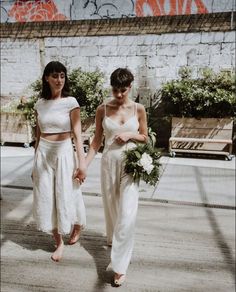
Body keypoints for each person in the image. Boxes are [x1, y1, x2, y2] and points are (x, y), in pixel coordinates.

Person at [85, 68, 148, 286]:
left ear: (130, 87)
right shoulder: (102, 109)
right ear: (110, 87)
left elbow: (145, 138)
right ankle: (113, 240)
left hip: (130, 163)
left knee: (128, 213)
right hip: (109, 162)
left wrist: (131, 134)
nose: (119, 95)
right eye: (115, 90)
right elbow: (96, 141)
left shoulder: (139, 109)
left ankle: (120, 267)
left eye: (123, 90)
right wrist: (83, 165)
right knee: (112, 207)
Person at [32, 61, 86, 262]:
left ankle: (77, 224)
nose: (59, 80)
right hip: (44, 154)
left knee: (67, 193)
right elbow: (38, 136)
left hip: (64, 152)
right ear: (47, 78)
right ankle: (59, 242)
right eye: (55, 76)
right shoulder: (39, 104)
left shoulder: (71, 102)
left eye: (62, 76)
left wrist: (82, 164)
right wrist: (34, 164)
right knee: (47, 197)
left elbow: (78, 135)